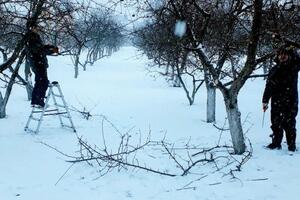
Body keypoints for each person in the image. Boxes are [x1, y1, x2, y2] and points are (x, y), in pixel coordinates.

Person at [262, 45, 300, 152]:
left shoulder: (293, 67)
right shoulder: (274, 69)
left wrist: (291, 49)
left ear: (289, 55)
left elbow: (298, 60)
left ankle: (291, 145)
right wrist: (265, 100)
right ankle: (276, 143)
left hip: (291, 100)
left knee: (289, 124)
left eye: (285, 54)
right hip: (276, 101)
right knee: (276, 123)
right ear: (277, 56)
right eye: (280, 54)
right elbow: (268, 86)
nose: (282, 56)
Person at [25, 24, 58, 108]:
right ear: (31, 28)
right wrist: (51, 51)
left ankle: (35, 101)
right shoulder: (31, 38)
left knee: (39, 82)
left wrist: (51, 47)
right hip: (38, 63)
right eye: (34, 27)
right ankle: (39, 101)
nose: (37, 29)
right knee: (43, 82)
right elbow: (39, 50)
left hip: (39, 63)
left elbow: (41, 47)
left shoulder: (35, 37)